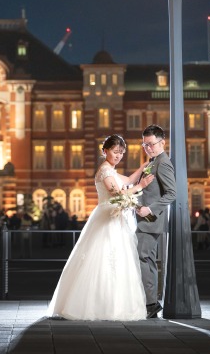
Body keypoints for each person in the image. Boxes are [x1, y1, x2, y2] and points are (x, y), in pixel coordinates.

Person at [47, 134, 154, 320]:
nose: (118, 156)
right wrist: (141, 186)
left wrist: (144, 166)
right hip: (107, 218)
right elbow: (118, 195)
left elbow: (129, 179)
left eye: (121, 152)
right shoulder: (105, 171)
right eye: (115, 151)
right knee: (103, 259)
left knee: (117, 260)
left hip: (114, 218)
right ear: (105, 151)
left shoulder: (111, 170)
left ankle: (114, 304)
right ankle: (99, 306)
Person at [136, 124, 177, 319]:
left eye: (151, 144)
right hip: (144, 220)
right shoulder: (153, 161)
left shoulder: (163, 162)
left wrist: (149, 209)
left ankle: (151, 303)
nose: (148, 148)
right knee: (147, 259)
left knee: (143, 258)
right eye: (145, 145)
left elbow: (172, 193)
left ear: (162, 143)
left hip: (150, 221)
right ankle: (150, 302)